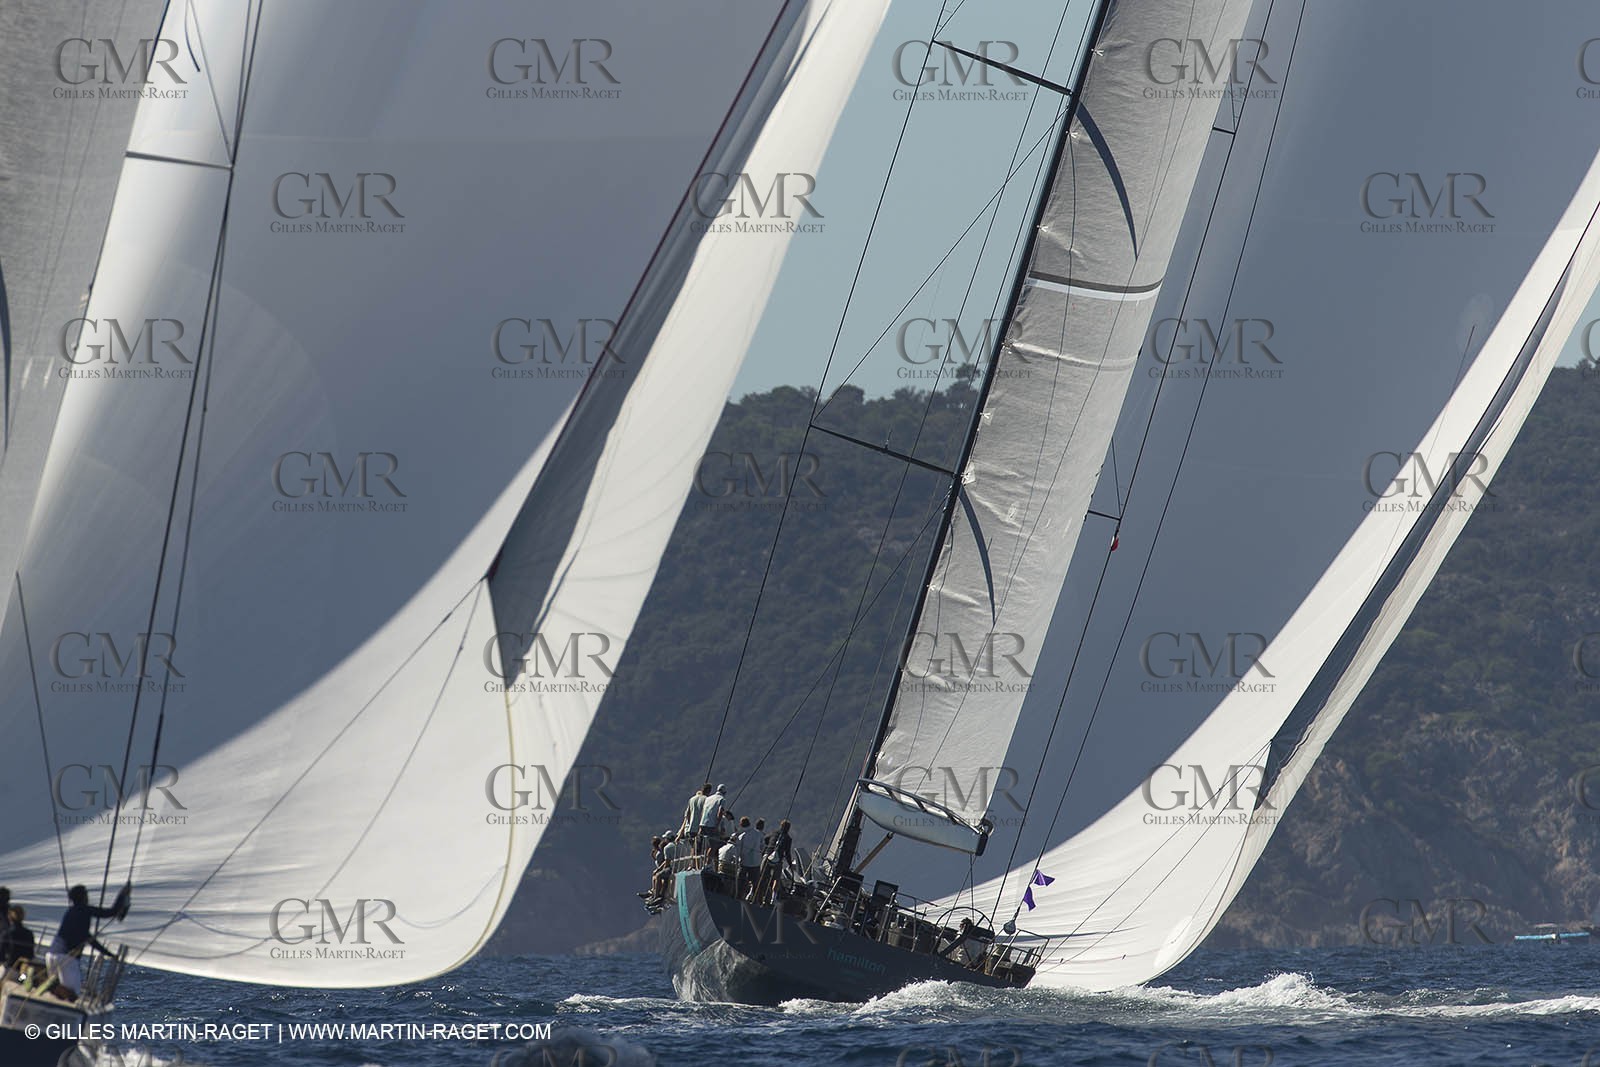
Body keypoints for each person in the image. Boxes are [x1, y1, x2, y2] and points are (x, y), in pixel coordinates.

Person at [46, 883, 129, 1000]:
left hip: (51, 955)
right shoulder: (85, 911)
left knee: (56, 992)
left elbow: (87, 937)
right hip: (67, 958)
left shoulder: (70, 912)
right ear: (84, 897)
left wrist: (108, 954)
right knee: (73, 995)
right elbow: (110, 913)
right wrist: (122, 894)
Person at [756, 819, 792, 906]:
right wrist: (790, 864)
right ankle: (773, 898)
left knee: (761, 877)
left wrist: (768, 848)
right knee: (776, 879)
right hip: (778, 860)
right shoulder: (788, 838)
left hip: (767, 856)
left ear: (781, 826)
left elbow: (765, 840)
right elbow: (787, 853)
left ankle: (753, 894)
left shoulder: (774, 833)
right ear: (788, 828)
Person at [734, 817, 764, 901]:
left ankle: (739, 897)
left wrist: (737, 860)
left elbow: (738, 851)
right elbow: (762, 846)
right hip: (756, 862)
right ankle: (755, 900)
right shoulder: (759, 834)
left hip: (745, 862)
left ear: (741, 825)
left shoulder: (741, 835)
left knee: (741, 880)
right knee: (755, 883)